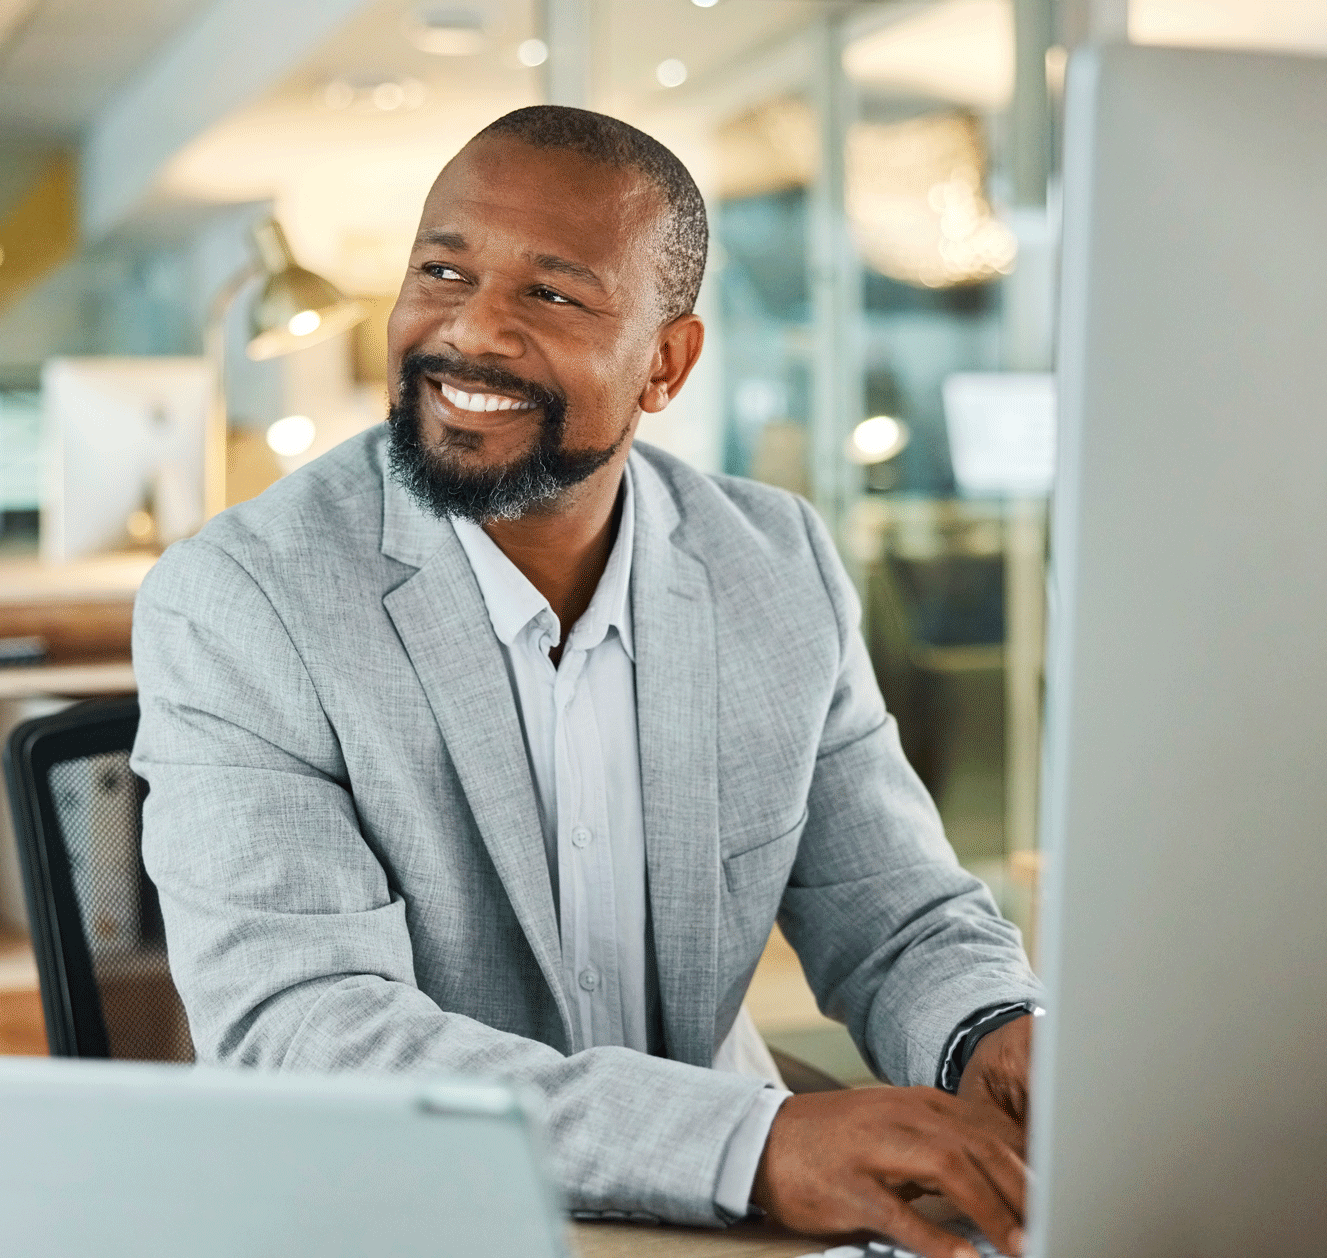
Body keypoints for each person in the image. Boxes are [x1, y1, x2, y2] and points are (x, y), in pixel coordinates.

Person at [132, 105, 1042, 1258]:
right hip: (416, 1221)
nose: (469, 330)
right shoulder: (242, 599)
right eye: (442, 270)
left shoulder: (774, 563)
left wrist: (993, 1031)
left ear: (665, 362)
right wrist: (749, 1145)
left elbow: (893, 910)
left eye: (551, 295)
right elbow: (307, 1031)